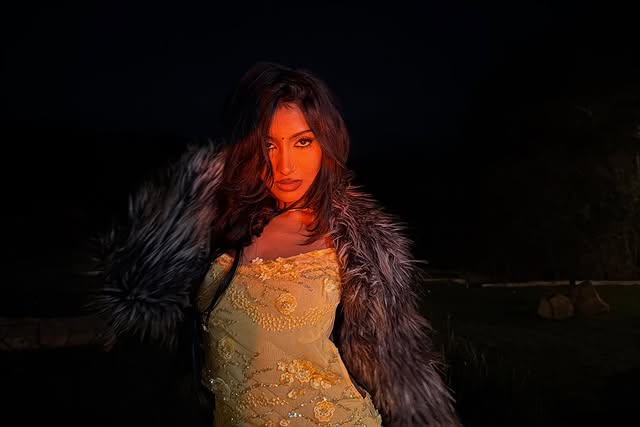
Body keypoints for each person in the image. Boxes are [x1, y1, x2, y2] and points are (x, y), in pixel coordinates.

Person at [91, 61, 461, 426]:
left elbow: (398, 364)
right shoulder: (221, 222)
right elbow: (134, 285)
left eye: (302, 142)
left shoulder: (357, 243)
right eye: (269, 144)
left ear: (325, 145)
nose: (284, 166)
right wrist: (197, 186)